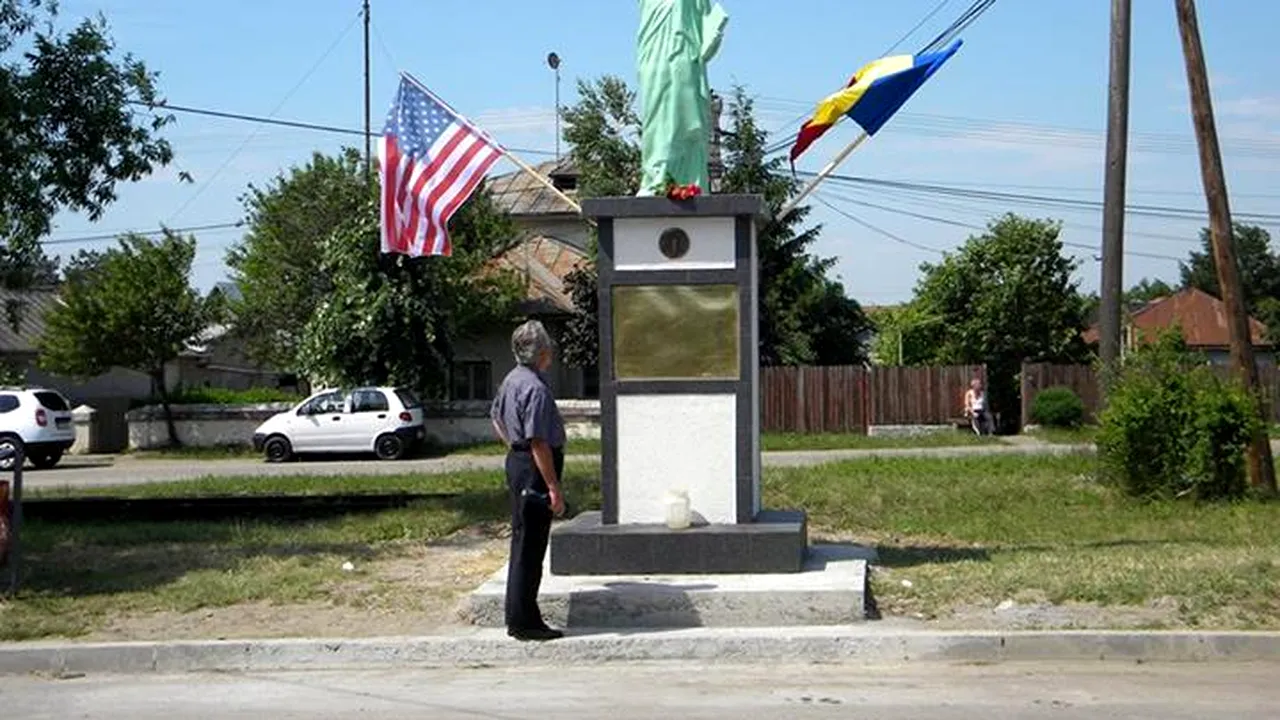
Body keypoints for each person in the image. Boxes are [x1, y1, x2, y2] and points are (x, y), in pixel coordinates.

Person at [489, 320, 567, 642]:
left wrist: (513, 445)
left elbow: (495, 417)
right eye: (549, 349)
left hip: (519, 462)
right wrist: (552, 486)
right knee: (531, 546)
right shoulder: (534, 388)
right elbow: (538, 441)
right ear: (543, 353)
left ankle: (520, 615)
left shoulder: (511, 380)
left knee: (522, 542)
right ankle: (525, 622)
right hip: (533, 467)